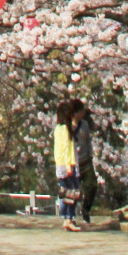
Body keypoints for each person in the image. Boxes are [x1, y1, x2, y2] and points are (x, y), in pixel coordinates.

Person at [53, 99, 82, 231]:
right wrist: (70, 167)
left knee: (66, 193)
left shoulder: (57, 129)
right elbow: (66, 149)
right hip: (68, 165)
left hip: (60, 166)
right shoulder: (65, 130)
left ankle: (67, 218)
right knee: (73, 193)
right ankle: (68, 218)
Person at [72, 100, 97, 223]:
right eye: (81, 111)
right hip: (73, 163)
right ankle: (70, 217)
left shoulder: (85, 125)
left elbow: (88, 141)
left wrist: (90, 153)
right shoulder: (67, 126)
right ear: (76, 112)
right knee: (73, 192)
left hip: (86, 161)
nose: (83, 113)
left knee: (92, 185)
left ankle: (86, 208)